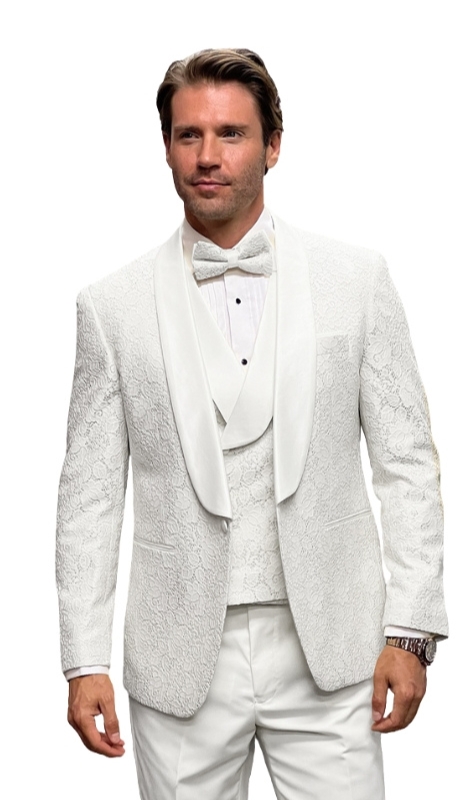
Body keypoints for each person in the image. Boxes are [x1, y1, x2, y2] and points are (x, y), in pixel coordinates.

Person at [56, 48, 448, 800]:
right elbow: (89, 498)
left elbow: (407, 462)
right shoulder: (111, 307)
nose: (207, 156)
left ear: (273, 146)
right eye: (189, 135)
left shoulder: (356, 280)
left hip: (334, 646)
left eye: (230, 134)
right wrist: (84, 659)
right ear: (166, 147)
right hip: (176, 656)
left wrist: (411, 631)